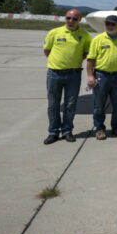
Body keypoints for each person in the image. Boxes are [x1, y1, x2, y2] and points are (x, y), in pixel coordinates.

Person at [43, 9, 91, 144]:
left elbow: (85, 53)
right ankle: (53, 132)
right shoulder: (54, 32)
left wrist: (72, 62)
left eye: (75, 19)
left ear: (79, 20)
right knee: (53, 104)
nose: (71, 21)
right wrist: (58, 63)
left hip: (74, 74)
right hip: (54, 74)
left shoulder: (85, 35)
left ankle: (67, 131)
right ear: (65, 18)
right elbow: (47, 51)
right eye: (68, 18)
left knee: (70, 104)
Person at [86, 14, 117, 140]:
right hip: (101, 75)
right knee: (99, 104)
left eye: (112, 24)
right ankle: (100, 129)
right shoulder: (98, 39)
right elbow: (90, 60)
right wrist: (90, 76)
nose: (109, 26)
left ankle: (116, 127)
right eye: (107, 24)